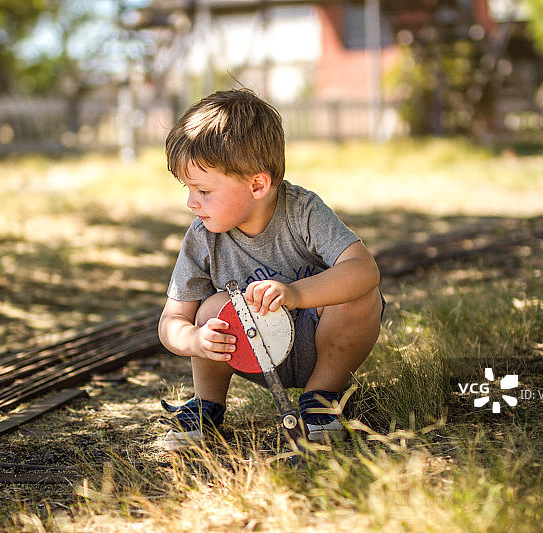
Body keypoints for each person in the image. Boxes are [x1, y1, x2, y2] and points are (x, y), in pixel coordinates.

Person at [157, 88, 384, 451]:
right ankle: (207, 405)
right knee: (211, 309)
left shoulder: (302, 211)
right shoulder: (203, 237)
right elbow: (171, 320)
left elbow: (364, 270)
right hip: (249, 349)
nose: (190, 202)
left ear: (258, 184)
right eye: (187, 188)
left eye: (202, 189)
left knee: (359, 295)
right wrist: (194, 341)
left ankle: (321, 398)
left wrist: (296, 294)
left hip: (321, 344)